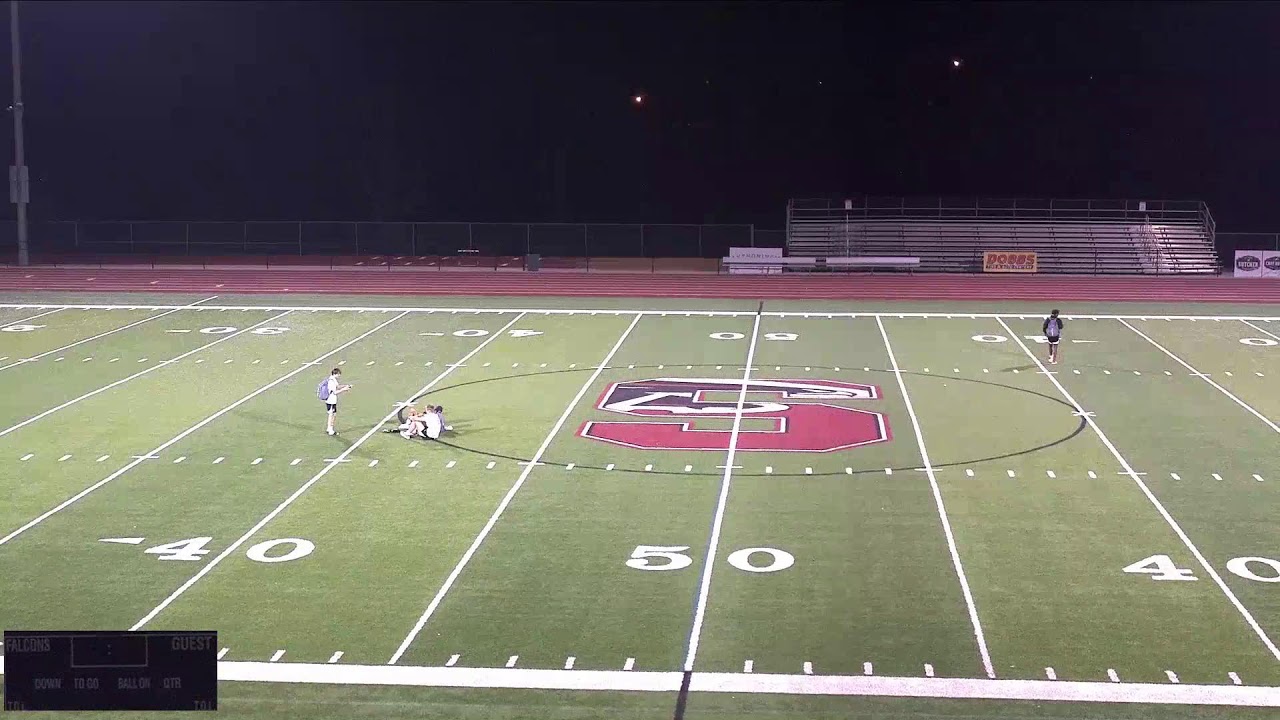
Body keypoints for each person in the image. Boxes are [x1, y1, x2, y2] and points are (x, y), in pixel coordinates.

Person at [321, 368, 351, 435]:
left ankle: (329, 428)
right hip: (330, 400)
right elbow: (335, 392)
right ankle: (330, 429)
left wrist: (345, 386)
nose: (339, 376)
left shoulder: (333, 379)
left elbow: (337, 386)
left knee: (333, 414)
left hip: (332, 400)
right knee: (331, 414)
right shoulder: (331, 381)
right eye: (338, 374)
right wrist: (344, 389)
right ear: (335, 374)